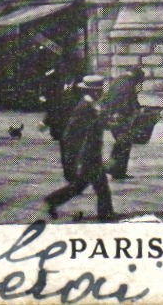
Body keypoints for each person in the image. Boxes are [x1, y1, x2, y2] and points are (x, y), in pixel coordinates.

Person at [45, 75, 114, 223]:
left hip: (91, 153)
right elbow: (72, 134)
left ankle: (52, 201)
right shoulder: (84, 107)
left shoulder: (92, 105)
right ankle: (106, 214)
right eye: (100, 90)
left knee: (81, 186)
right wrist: (78, 156)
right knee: (101, 186)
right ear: (94, 91)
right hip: (88, 154)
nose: (102, 93)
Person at [102, 65, 147, 181]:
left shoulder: (118, 80)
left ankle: (114, 168)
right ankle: (116, 170)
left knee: (121, 143)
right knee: (124, 143)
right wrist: (137, 110)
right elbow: (127, 102)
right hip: (120, 118)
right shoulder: (128, 84)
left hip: (111, 117)